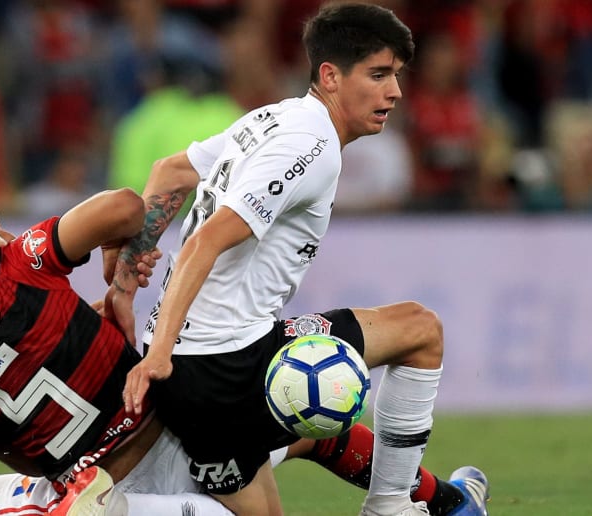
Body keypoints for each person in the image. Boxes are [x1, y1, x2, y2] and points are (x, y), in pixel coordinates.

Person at [108, 4, 490, 516]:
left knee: (315, 416)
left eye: (396, 76)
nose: (394, 92)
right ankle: (392, 506)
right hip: (224, 366)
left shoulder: (276, 116)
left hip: (205, 367)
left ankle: (439, 502)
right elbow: (203, 242)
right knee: (420, 331)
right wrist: (158, 355)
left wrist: (126, 286)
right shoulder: (309, 145)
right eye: (378, 75)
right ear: (330, 76)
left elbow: (172, 170)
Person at [0, 167, 238, 515]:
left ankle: (52, 509)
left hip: (79, 483)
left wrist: (83, 330)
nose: (8, 235)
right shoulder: (16, 265)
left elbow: (26, 460)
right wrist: (108, 245)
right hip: (167, 448)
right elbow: (125, 207)